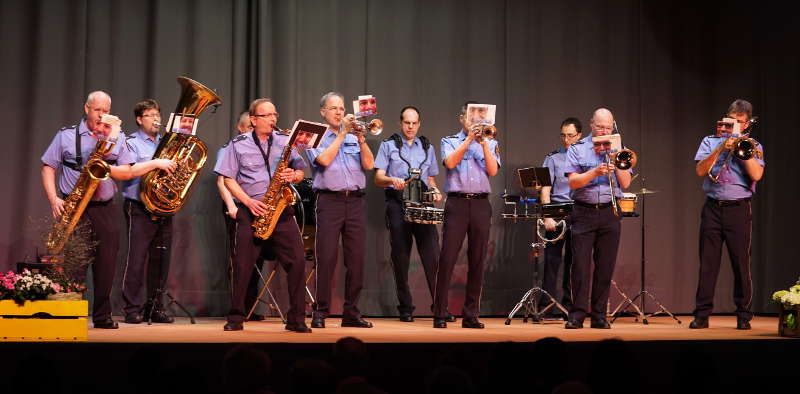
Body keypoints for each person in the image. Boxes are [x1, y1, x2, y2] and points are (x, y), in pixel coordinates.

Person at [41, 91, 175, 329]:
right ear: (86, 108)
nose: (101, 115)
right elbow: (48, 167)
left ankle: (102, 316)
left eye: (105, 110)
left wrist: (104, 166)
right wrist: (54, 199)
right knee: (75, 263)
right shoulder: (67, 135)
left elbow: (128, 172)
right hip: (74, 206)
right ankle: (71, 316)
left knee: (106, 263)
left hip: (104, 206)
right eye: (97, 110)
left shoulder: (117, 136)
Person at [214, 98, 311, 332]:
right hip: (251, 210)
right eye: (267, 116)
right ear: (254, 120)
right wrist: (247, 202)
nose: (273, 119)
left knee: (297, 262)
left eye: (274, 115)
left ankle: (296, 319)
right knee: (243, 265)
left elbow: (300, 170)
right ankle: (236, 317)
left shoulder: (286, 141)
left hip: (281, 210)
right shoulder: (237, 144)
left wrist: (294, 176)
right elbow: (228, 178)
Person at [690, 99, 764, 330]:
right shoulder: (710, 141)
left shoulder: (754, 145)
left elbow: (757, 175)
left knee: (741, 264)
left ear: (747, 124)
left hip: (739, 209)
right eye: (732, 122)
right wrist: (722, 147)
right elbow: (700, 170)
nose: (735, 126)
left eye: (740, 123)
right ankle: (702, 315)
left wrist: (742, 150)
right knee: (708, 264)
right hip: (712, 207)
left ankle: (743, 315)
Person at [305, 92, 375, 329]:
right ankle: (320, 312)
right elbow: (323, 160)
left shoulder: (355, 137)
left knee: (356, 261)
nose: (339, 112)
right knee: (326, 259)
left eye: (341, 108)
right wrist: (343, 134)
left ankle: (351, 313)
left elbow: (369, 165)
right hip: (329, 201)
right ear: (323, 112)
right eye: (333, 108)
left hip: (355, 201)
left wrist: (362, 139)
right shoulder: (314, 136)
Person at [432, 101, 501, 329]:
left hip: (481, 204)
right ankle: (440, 313)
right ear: (463, 119)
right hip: (457, 203)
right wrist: (469, 139)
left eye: (480, 118)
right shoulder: (449, 141)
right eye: (472, 118)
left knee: (478, 259)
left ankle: (470, 314)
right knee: (448, 258)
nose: (476, 122)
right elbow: (450, 163)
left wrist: (483, 144)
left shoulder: (491, 142)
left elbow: (492, 170)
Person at [562, 108, 632, 329]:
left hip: (610, 211)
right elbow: (573, 182)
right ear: (591, 124)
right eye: (600, 126)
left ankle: (599, 314)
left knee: (605, 266)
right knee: (580, 267)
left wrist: (615, 158)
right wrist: (595, 172)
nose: (604, 130)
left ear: (613, 127)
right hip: (583, 212)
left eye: (608, 127)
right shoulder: (578, 148)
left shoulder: (621, 148)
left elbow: (626, 183)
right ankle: (578, 314)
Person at [373, 106, 443, 322]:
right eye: (407, 123)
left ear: (419, 124)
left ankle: (440, 307)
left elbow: (430, 179)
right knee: (401, 257)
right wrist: (391, 180)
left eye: (414, 123)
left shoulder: (427, 146)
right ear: (400, 123)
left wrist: (436, 190)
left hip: (422, 202)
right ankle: (405, 308)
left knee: (432, 256)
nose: (410, 127)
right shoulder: (389, 145)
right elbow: (378, 178)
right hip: (398, 202)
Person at [118, 99, 178, 324]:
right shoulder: (131, 142)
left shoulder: (167, 142)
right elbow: (130, 170)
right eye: (150, 115)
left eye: (158, 115)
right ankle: (131, 309)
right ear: (139, 119)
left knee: (161, 260)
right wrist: (157, 163)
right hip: (139, 206)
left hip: (164, 206)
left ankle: (155, 308)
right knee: (137, 259)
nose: (156, 119)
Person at [215, 111, 269, 322]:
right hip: (237, 208)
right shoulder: (231, 147)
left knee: (258, 259)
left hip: (258, 209)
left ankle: (249, 306)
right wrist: (231, 207)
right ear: (240, 127)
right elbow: (222, 180)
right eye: (248, 127)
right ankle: (237, 307)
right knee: (240, 261)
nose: (251, 131)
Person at [538, 117, 583, 318]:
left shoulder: (586, 157)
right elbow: (545, 190)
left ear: (579, 136)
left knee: (575, 262)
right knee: (552, 260)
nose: (566, 140)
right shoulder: (553, 158)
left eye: (570, 135)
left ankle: (570, 306)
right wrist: (547, 216)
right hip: (557, 210)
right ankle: (546, 306)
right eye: (563, 135)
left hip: (580, 211)